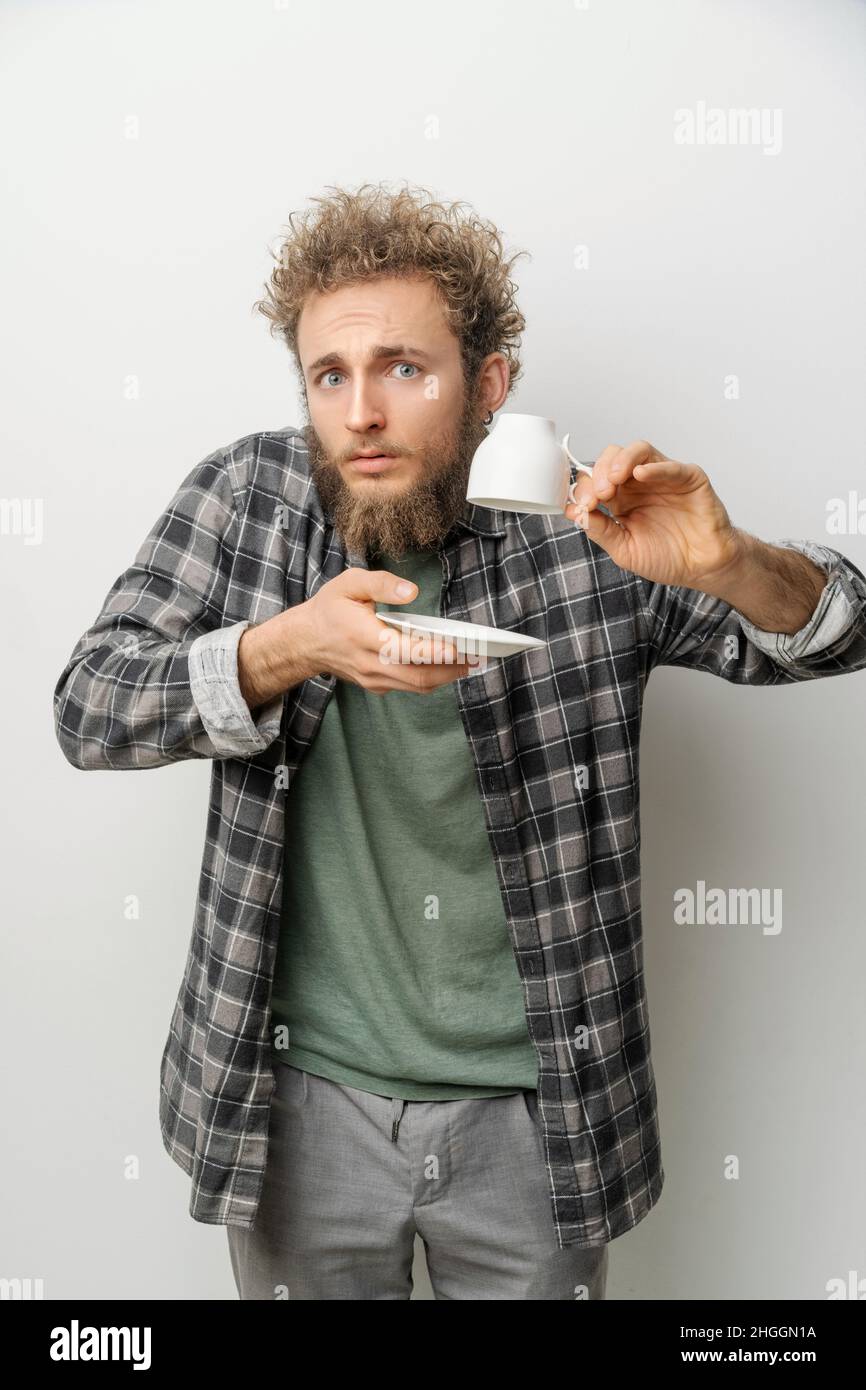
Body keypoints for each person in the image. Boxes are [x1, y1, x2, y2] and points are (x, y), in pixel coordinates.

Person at [53, 181, 866, 1301]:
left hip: (540, 1117)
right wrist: (283, 648)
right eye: (329, 376)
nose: (361, 415)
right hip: (296, 1107)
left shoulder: (590, 541)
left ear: (487, 385)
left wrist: (730, 563)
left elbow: (835, 635)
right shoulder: (246, 497)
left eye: (402, 368)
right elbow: (87, 704)